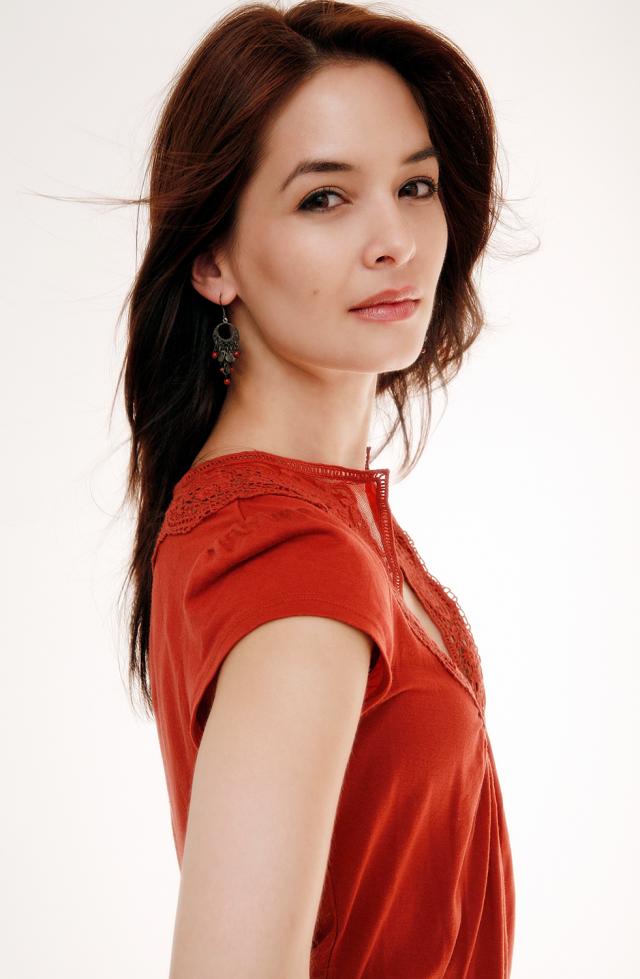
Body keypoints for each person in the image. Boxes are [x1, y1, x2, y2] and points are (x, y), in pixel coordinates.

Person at [120, 2, 518, 976]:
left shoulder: (302, 520)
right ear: (213, 259)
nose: (397, 241)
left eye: (414, 184)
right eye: (324, 199)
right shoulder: (296, 560)